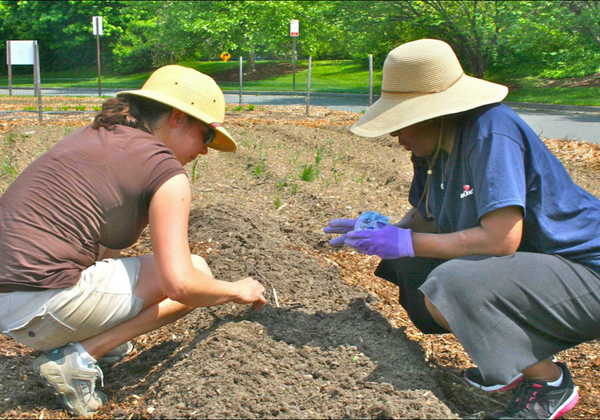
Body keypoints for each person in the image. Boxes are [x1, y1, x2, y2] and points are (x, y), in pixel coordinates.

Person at [324, 39, 600, 419]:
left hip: (588, 273)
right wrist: (377, 231)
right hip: (546, 267)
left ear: (436, 113)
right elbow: (427, 217)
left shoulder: (490, 132)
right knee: (413, 267)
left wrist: (404, 241)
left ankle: (548, 384)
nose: (395, 136)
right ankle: (508, 362)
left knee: (453, 284)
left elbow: (501, 240)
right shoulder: (433, 148)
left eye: (401, 122)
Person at [0, 65, 267, 418]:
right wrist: (236, 289)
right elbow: (182, 284)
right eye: (205, 136)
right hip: (42, 308)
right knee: (197, 269)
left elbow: (103, 244)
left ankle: (79, 342)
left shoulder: (96, 137)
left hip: (10, 306)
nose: (204, 152)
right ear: (177, 118)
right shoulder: (165, 171)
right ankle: (78, 357)